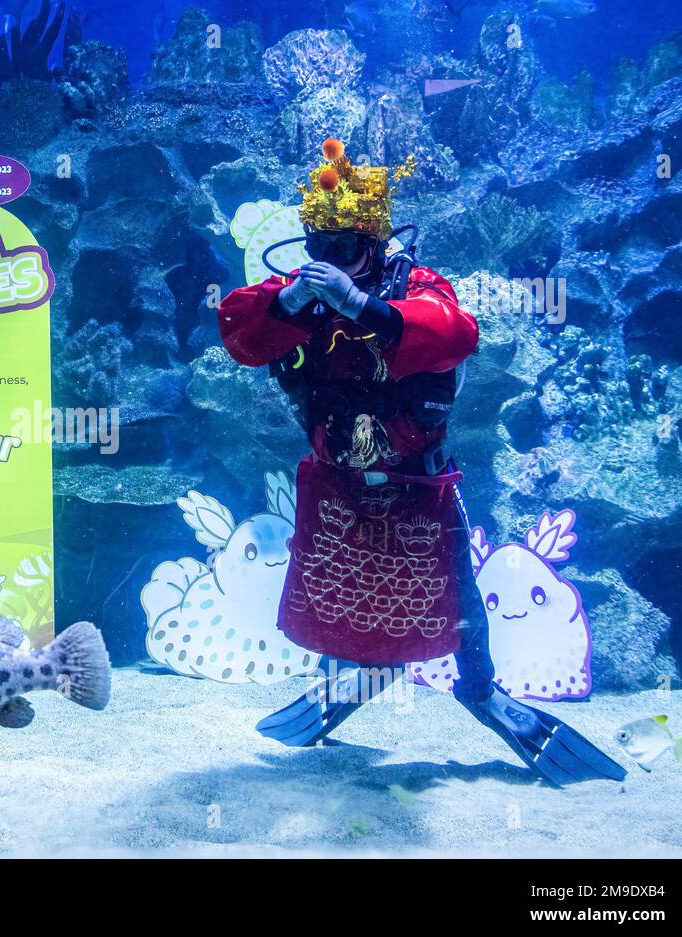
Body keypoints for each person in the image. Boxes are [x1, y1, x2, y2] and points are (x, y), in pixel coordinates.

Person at [216, 139, 624, 786]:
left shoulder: (416, 286)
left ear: (373, 243)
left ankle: (482, 689)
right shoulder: (299, 292)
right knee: (339, 596)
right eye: (318, 245)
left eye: (344, 247)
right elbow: (237, 330)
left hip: (417, 483)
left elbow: (455, 331)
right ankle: (368, 669)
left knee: (455, 597)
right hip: (339, 482)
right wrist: (287, 305)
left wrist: (364, 305)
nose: (328, 261)